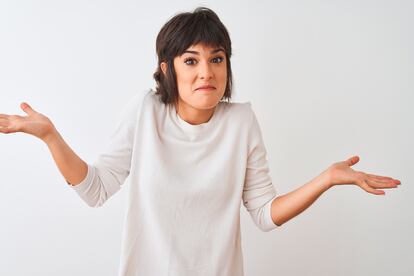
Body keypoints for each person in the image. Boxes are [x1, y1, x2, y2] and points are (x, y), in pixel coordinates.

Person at [0, 6, 400, 276]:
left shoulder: (241, 121)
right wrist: (50, 136)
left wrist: (327, 178)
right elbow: (96, 190)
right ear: (167, 68)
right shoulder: (145, 111)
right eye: (190, 60)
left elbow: (264, 213)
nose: (205, 71)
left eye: (217, 58)